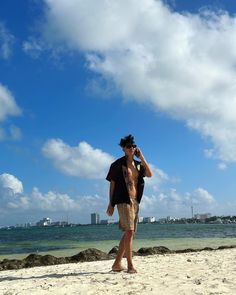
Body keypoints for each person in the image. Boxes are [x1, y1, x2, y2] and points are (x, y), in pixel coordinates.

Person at [106, 134, 153, 273]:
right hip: (123, 200)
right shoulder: (117, 165)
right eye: (128, 146)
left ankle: (116, 264)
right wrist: (111, 203)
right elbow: (112, 185)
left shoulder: (138, 165)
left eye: (133, 146)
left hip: (135, 201)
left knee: (129, 233)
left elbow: (150, 174)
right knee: (130, 231)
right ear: (123, 149)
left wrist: (142, 158)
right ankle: (130, 265)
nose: (131, 148)